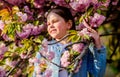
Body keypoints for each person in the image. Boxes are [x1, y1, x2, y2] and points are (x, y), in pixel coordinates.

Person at [33, 6, 106, 77]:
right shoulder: (45, 49)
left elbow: (98, 73)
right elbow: (37, 74)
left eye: (54, 21)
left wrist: (98, 44)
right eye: (48, 24)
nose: (50, 26)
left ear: (69, 24)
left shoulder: (81, 48)